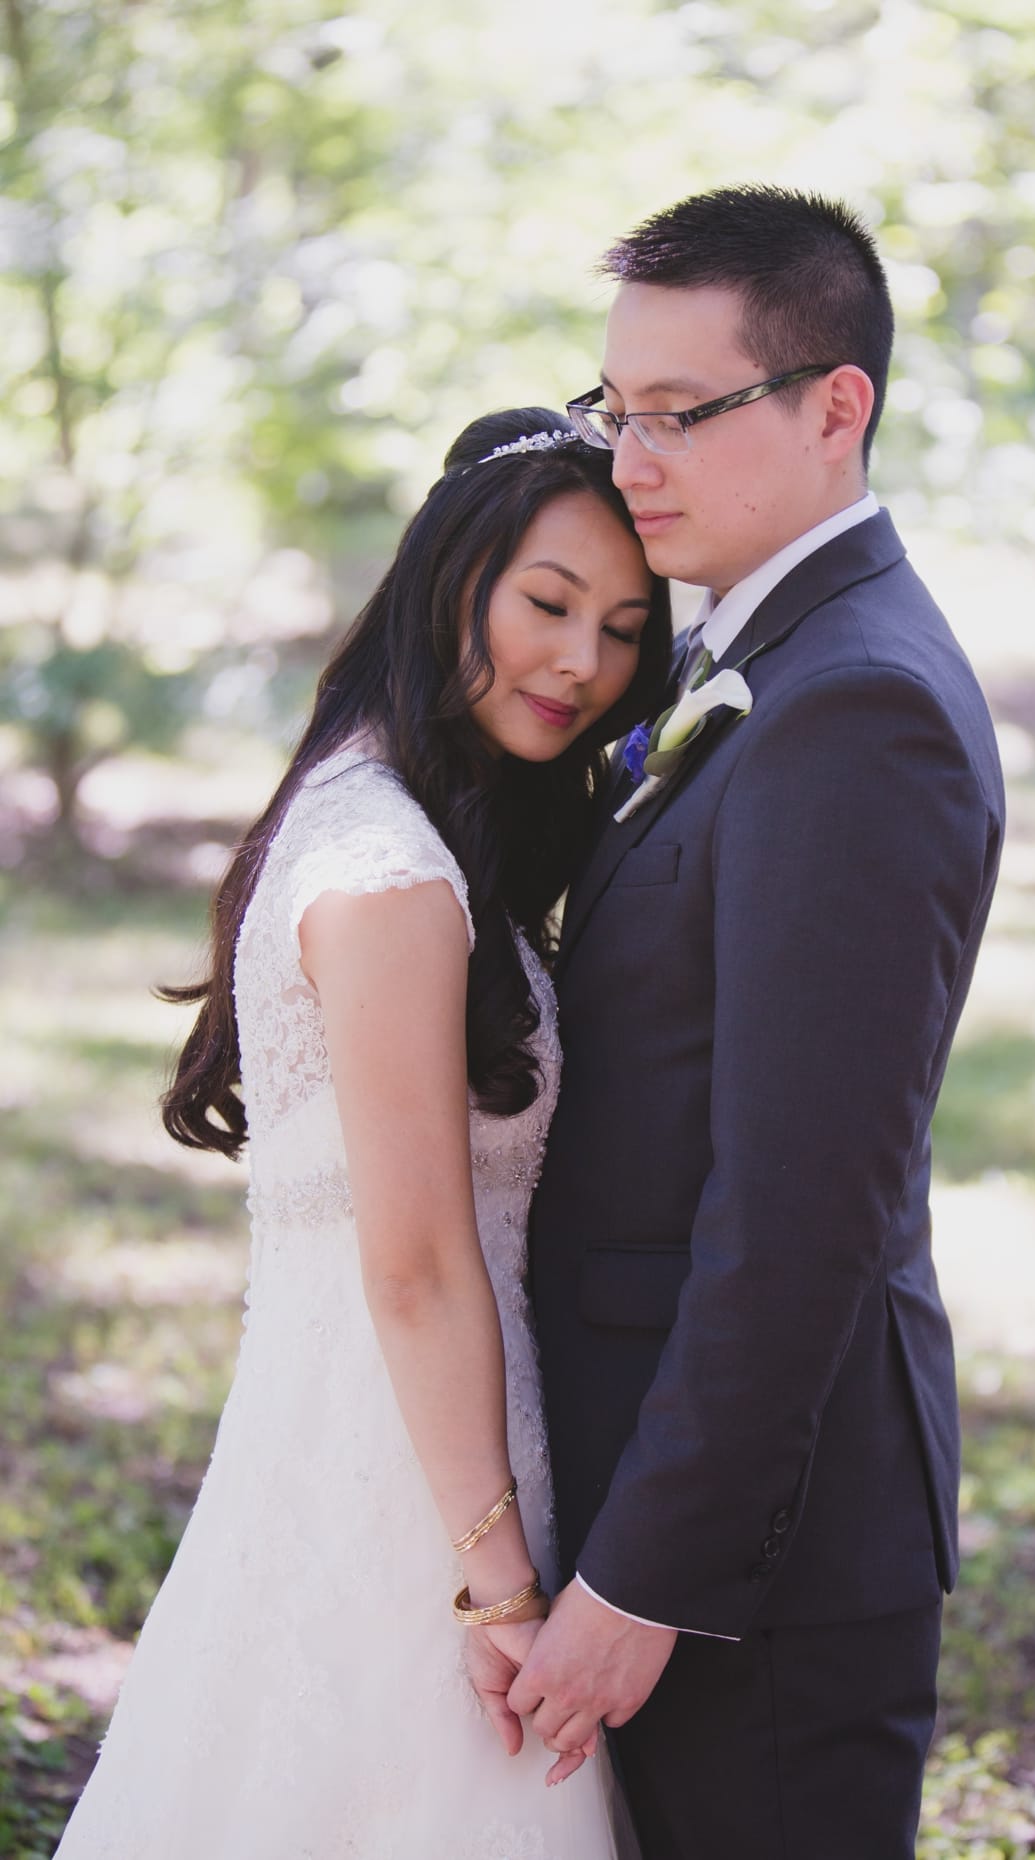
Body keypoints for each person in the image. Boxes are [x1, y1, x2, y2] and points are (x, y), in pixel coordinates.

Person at [52, 408, 672, 1860]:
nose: (583, 662)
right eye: (549, 603)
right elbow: (414, 1261)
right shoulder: (389, 871)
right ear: (448, 579)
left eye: (626, 626)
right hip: (411, 1477)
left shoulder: (377, 813)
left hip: (392, 1430)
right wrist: (498, 1586)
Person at [505, 187, 1006, 1857]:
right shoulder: (743, 652)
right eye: (612, 410)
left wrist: (649, 1576)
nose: (627, 456)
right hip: (660, 1487)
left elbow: (804, 1210)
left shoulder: (859, 704)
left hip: (760, 1574)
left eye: (676, 414)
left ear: (833, 405)